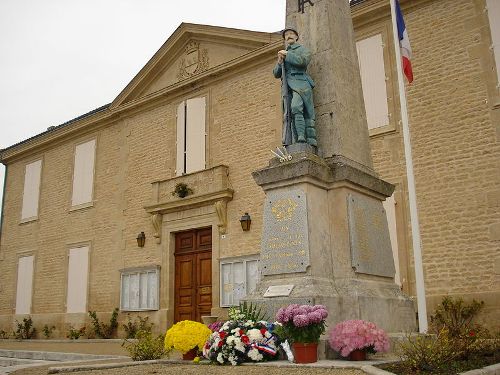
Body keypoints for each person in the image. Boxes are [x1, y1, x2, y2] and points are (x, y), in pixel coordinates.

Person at [273, 28, 317, 147]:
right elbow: (276, 74)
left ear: (296, 37)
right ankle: (296, 138)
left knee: (296, 106)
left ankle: (303, 136)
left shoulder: (303, 50)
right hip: (287, 86)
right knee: (290, 113)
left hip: (301, 83)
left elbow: (302, 61)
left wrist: (287, 55)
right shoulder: (283, 53)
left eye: (291, 34)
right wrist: (279, 61)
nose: (289, 36)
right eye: (286, 35)